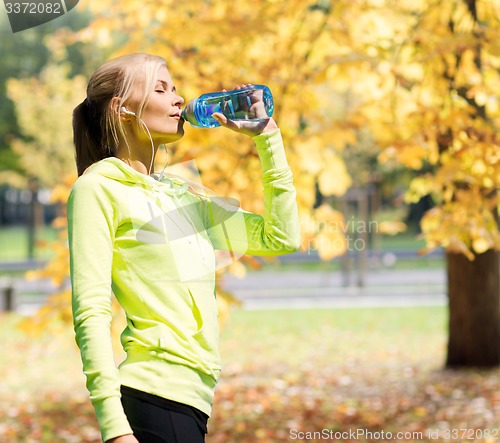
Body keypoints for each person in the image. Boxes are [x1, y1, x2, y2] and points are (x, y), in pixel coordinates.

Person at [68, 53, 300, 443]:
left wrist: (268, 139)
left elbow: (282, 237)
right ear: (121, 108)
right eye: (160, 89)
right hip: (153, 398)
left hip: (193, 401)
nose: (178, 99)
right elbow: (90, 311)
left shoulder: (181, 192)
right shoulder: (97, 189)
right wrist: (114, 428)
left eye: (175, 88)